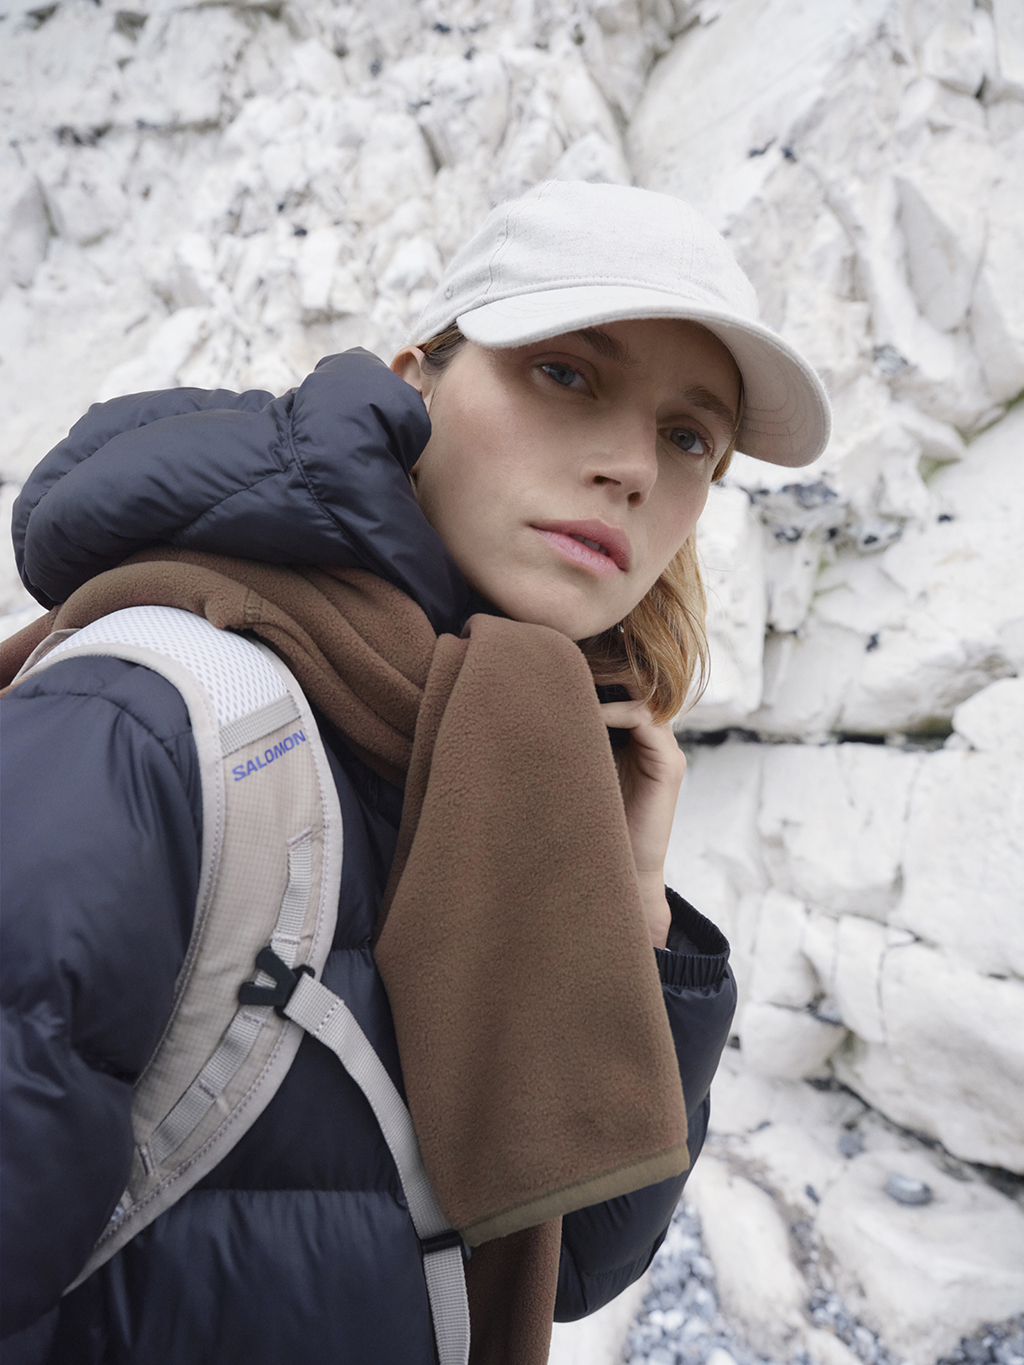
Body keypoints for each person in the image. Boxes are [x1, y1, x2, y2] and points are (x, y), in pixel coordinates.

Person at [0, 180, 830, 1365]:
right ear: (414, 384)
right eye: (567, 374)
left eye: (688, 437)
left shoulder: (504, 754)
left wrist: (630, 906)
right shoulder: (158, 726)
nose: (632, 468)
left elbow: (569, 1257)